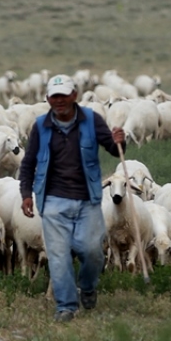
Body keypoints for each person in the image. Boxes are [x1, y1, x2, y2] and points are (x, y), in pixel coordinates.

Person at [19, 74, 126, 322]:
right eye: (54, 96)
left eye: (63, 95)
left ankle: (87, 287)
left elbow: (112, 148)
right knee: (58, 255)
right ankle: (66, 305)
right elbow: (28, 164)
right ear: (47, 99)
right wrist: (26, 194)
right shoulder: (40, 127)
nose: (59, 101)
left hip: (88, 200)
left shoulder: (91, 121)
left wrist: (120, 140)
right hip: (53, 201)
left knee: (92, 251)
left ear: (74, 95)